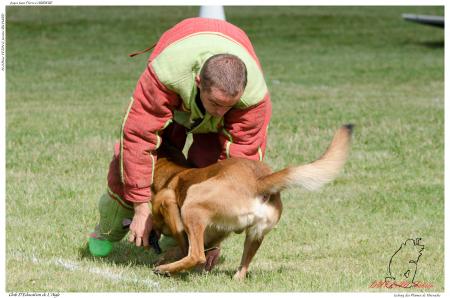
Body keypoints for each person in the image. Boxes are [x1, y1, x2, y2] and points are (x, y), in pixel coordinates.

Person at [88, 17, 272, 270]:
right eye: (216, 104)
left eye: (230, 106)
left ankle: (178, 243)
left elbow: (240, 164)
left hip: (219, 94)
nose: (221, 113)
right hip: (176, 90)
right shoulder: (165, 75)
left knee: (208, 170)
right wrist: (142, 205)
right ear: (198, 82)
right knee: (130, 166)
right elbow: (137, 138)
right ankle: (109, 228)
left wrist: (212, 232)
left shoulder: (254, 98)